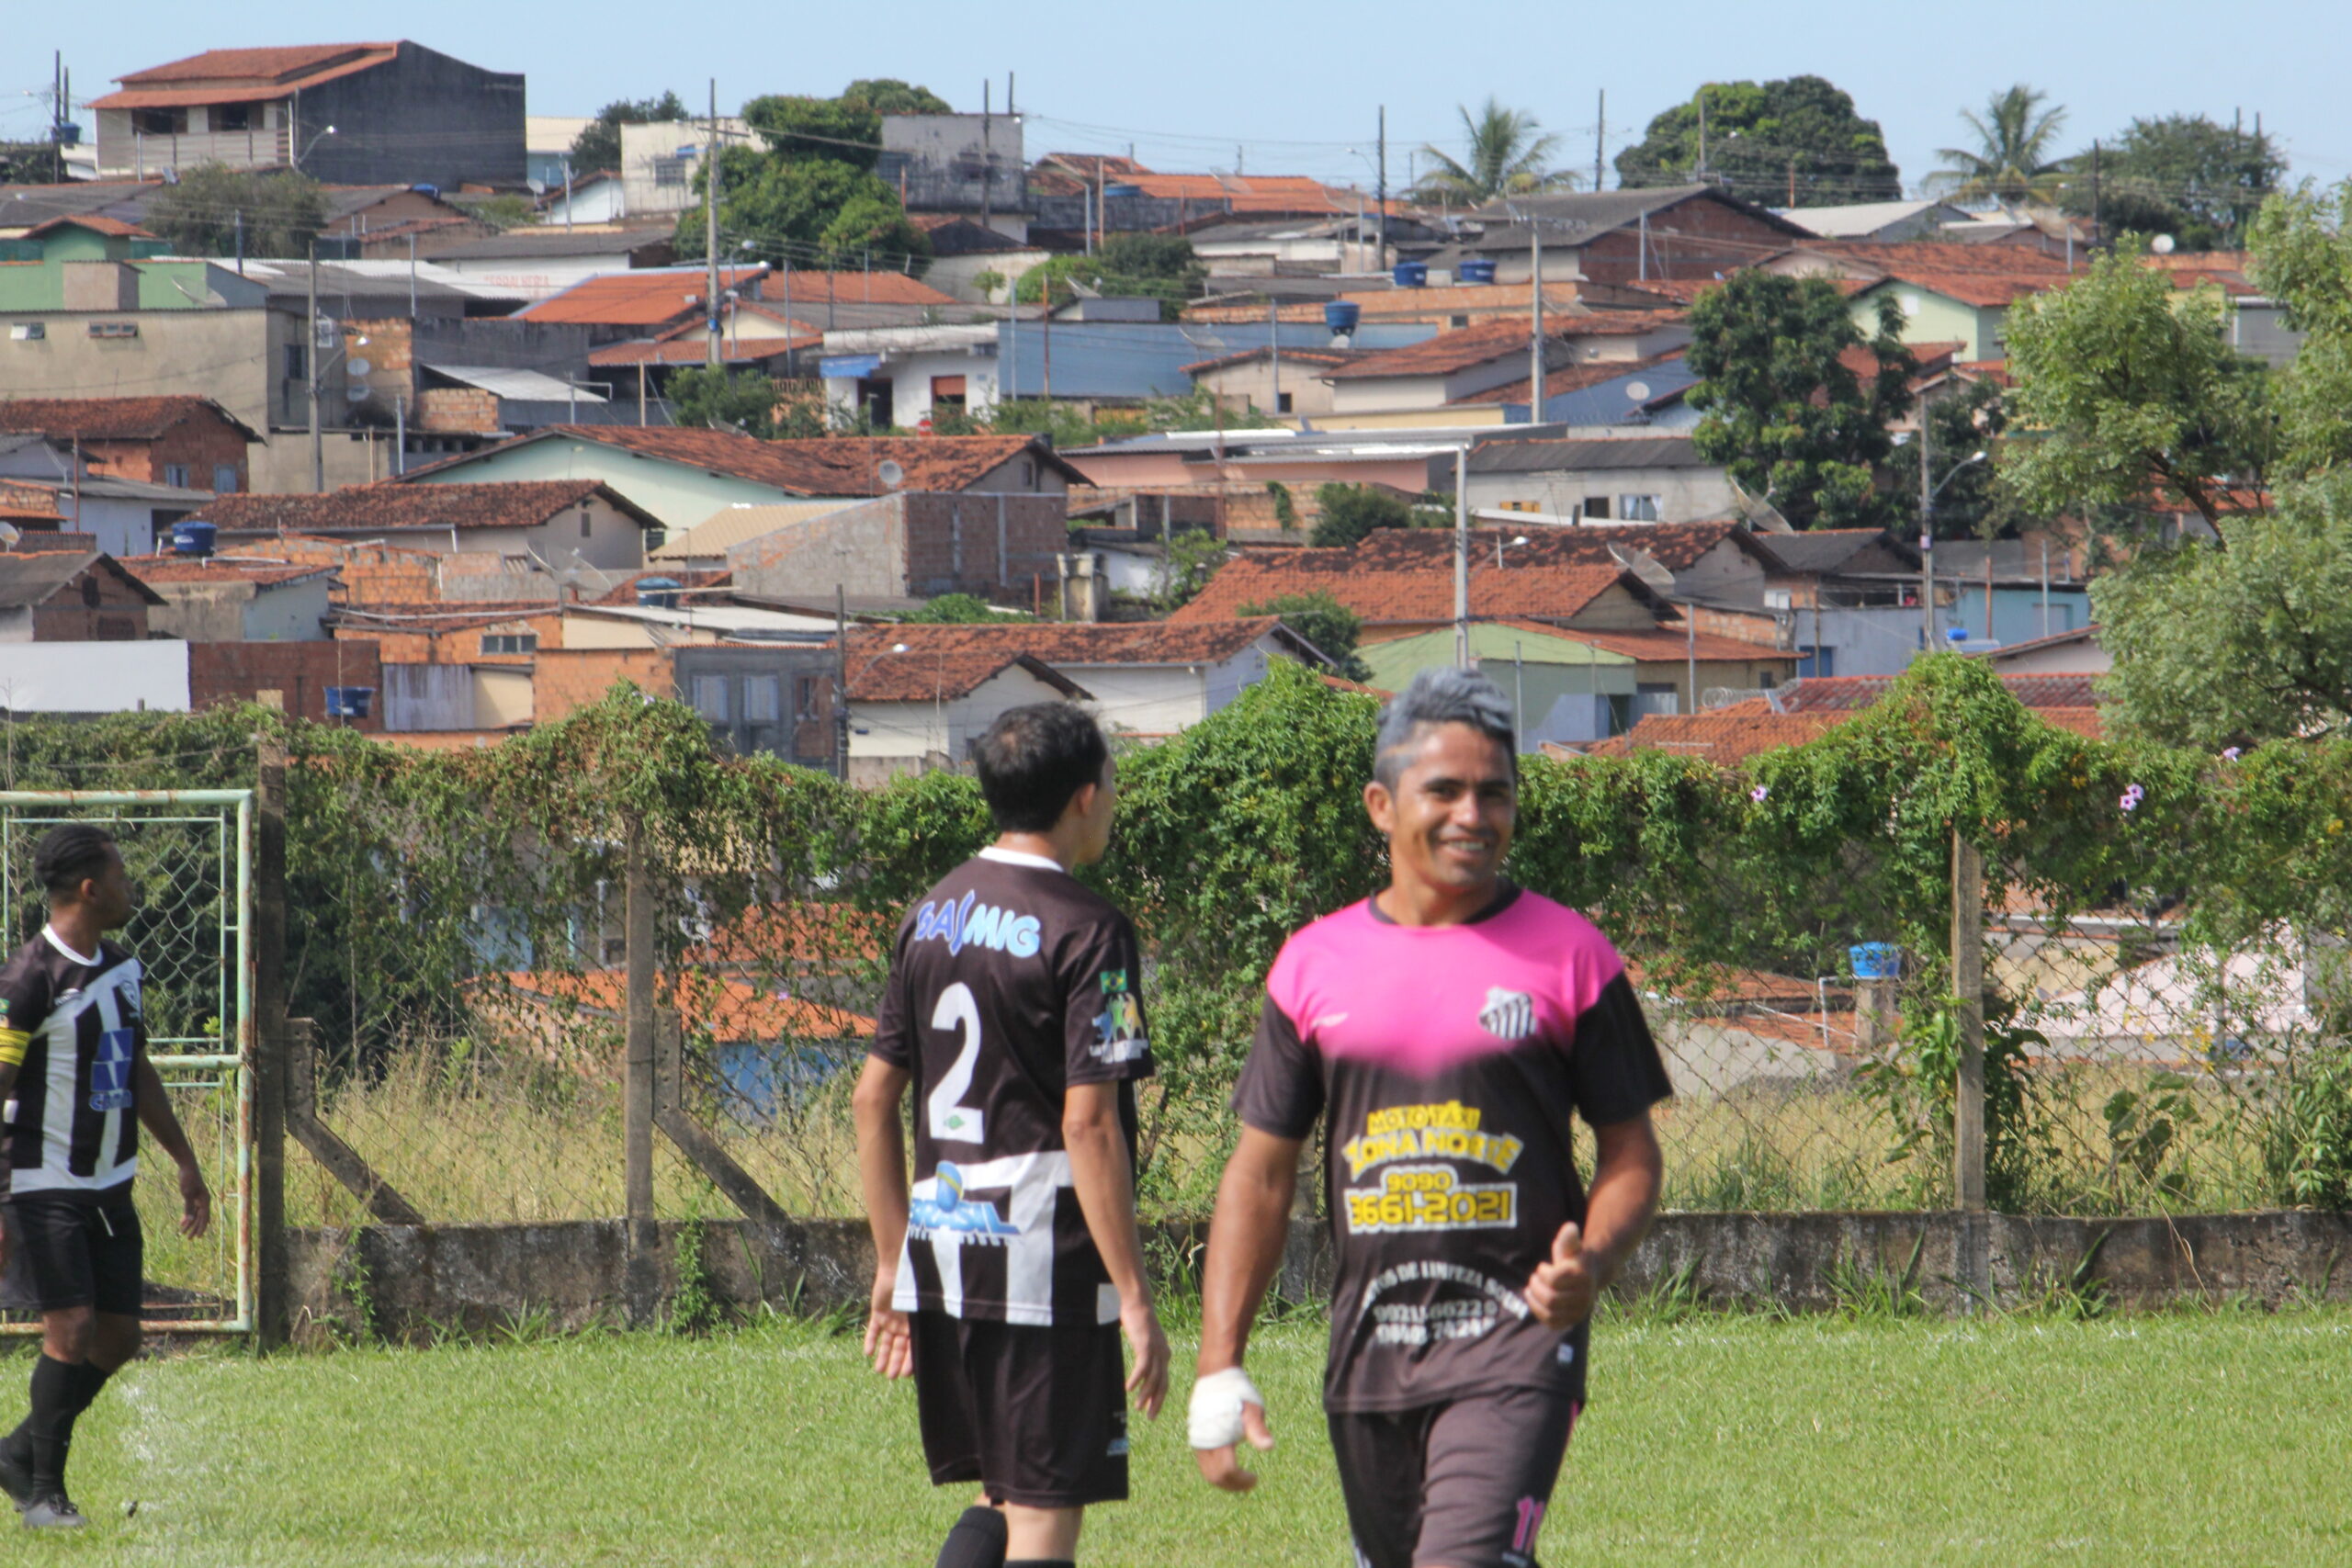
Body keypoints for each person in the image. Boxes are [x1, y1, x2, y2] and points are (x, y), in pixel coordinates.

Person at [1188, 667, 1672, 1568]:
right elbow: (1259, 1172)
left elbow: (1631, 1154)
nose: (1472, 816)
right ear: (1381, 805)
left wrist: (1591, 1267)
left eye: (1494, 793)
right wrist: (1220, 1363)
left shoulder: (1574, 957)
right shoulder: (1311, 965)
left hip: (1516, 1350)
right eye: (1443, 791)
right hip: (1368, 1358)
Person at [854, 703, 1169, 1568]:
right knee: (1041, 1521)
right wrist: (1135, 1296)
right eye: (1111, 781)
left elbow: (873, 1098)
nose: (1114, 798)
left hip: (947, 1248)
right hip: (1043, 1260)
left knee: (1003, 1492)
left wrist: (893, 1260)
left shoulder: (932, 912)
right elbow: (1088, 1122)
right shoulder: (1089, 928)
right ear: (1081, 796)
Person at [0, 824, 211, 1530]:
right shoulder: (28, 977)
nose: (129, 886)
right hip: (41, 1180)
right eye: (119, 874)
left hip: (110, 1183)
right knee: (71, 1324)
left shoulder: (122, 966)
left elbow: (137, 1068)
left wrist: (184, 1159)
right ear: (89, 889)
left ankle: (19, 1448)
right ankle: (42, 1495)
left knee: (118, 1335)